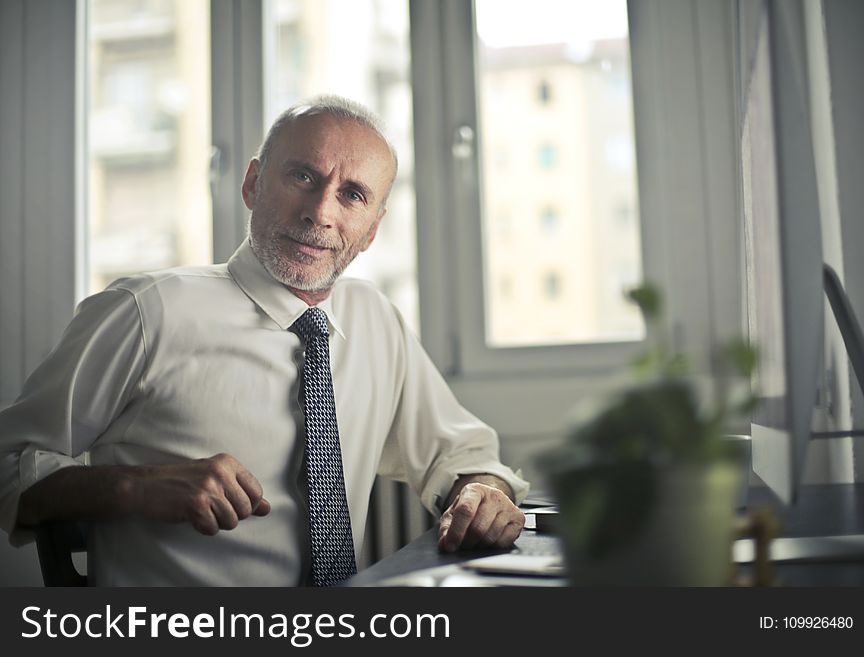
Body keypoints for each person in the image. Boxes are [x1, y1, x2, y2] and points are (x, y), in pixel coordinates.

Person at [0, 95, 528, 586]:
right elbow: (7, 459)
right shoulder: (145, 312)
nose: (320, 212)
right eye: (303, 175)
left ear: (371, 230)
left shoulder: (375, 319)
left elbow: (460, 452)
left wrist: (483, 490)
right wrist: (133, 486)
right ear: (253, 183)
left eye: (352, 195)